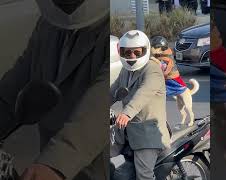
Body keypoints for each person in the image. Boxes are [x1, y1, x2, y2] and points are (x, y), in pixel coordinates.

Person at [0, 0, 108, 179]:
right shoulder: (49, 24)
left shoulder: (109, 32)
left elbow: (99, 108)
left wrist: (55, 164)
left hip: (87, 167)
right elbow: (14, 86)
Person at [110, 30, 171, 180]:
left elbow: (143, 93)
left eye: (137, 52)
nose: (132, 56)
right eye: (127, 52)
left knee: (144, 175)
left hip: (147, 133)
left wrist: (126, 113)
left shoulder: (153, 70)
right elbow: (113, 91)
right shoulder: (126, 70)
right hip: (126, 130)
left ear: (146, 50)